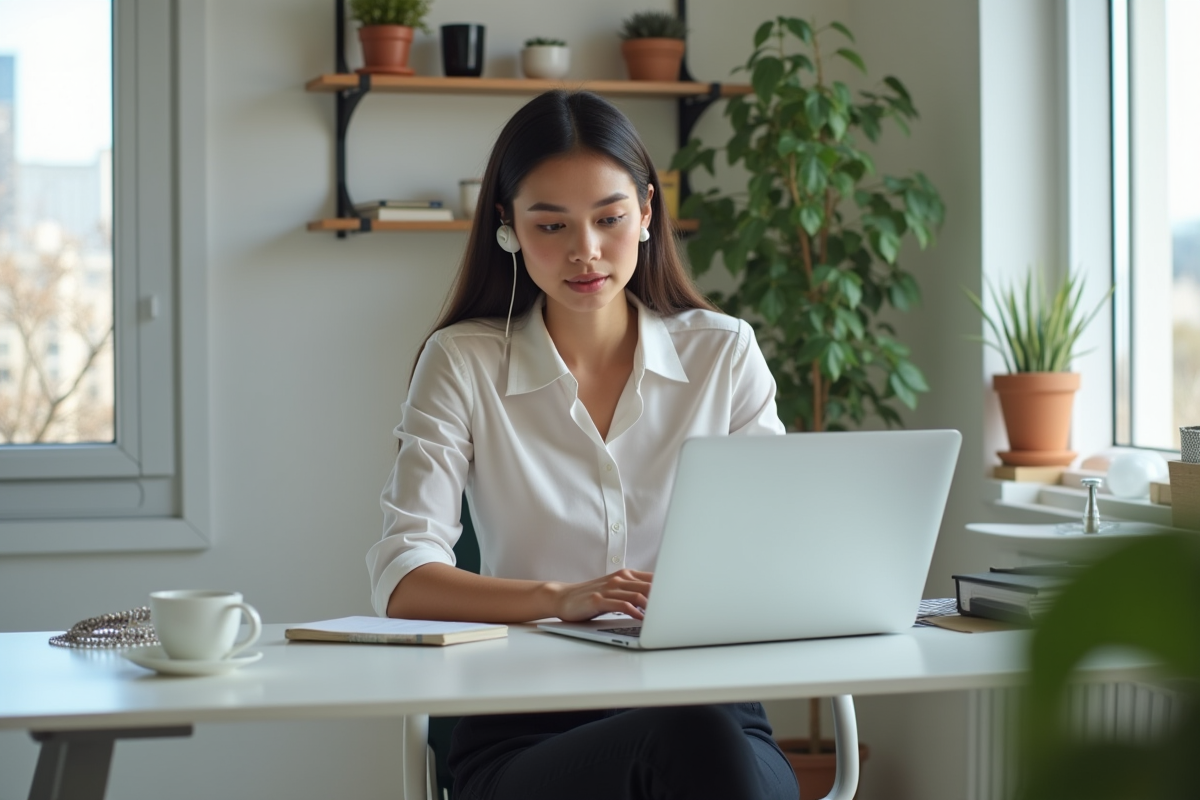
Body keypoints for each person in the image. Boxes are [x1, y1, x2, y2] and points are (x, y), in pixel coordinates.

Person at [367, 90, 798, 800]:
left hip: (718, 717)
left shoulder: (723, 354)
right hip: (525, 729)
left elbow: (781, 545)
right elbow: (403, 578)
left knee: (699, 735)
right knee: (690, 741)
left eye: (610, 218)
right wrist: (561, 598)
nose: (585, 251)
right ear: (507, 226)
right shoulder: (464, 362)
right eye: (551, 224)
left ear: (649, 213)